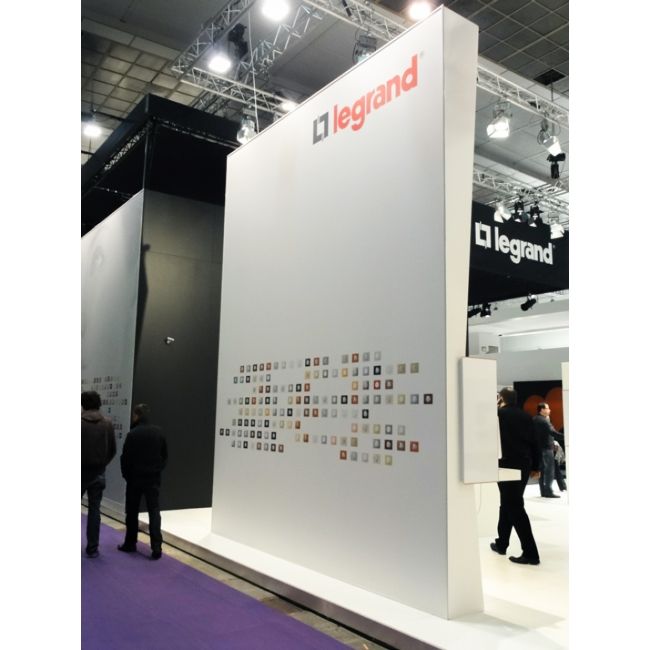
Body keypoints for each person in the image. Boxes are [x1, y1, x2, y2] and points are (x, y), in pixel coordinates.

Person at [491, 387, 542, 565]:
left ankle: (531, 553)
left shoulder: (498, 415)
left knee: (514, 506)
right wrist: (536, 466)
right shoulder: (526, 416)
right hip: (524, 464)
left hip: (505, 464)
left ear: (501, 399)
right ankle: (502, 543)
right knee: (508, 503)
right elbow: (535, 443)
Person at [118, 403, 168, 560]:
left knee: (132, 512)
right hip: (152, 479)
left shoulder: (132, 434)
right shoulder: (158, 433)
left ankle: (130, 543)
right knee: (154, 511)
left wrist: (127, 475)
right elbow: (164, 456)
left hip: (134, 479)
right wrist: (157, 470)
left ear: (137, 415)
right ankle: (156, 546)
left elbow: (125, 458)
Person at [81, 390, 117, 558]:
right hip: (98, 473)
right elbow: (112, 450)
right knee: (95, 511)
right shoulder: (107, 423)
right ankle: (93, 547)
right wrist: (102, 464)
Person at [533, 402, 565, 496]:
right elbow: (553, 433)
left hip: (538, 448)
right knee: (549, 471)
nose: (549, 410)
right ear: (542, 410)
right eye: (547, 408)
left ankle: (543, 491)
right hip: (546, 448)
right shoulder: (544, 421)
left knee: (542, 471)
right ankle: (548, 491)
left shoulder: (535, 419)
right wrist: (566, 436)